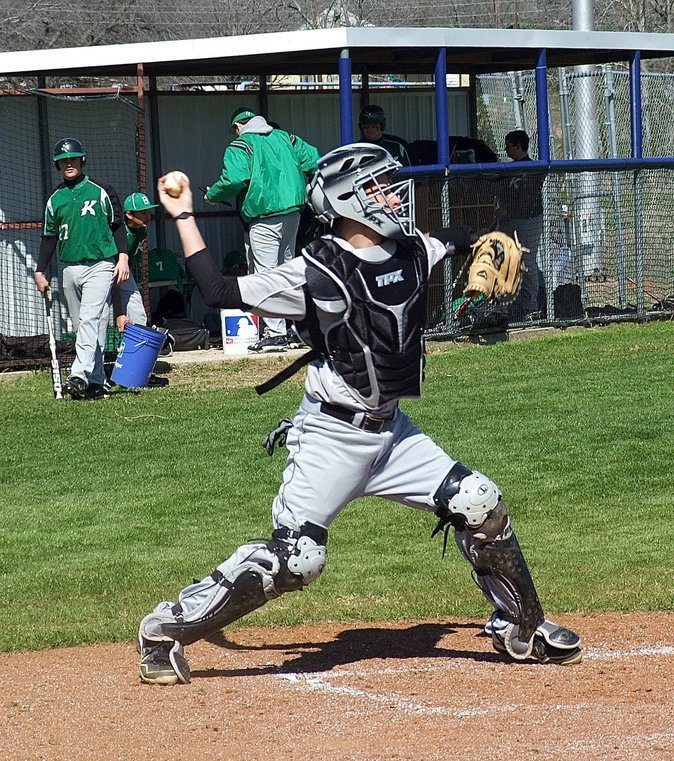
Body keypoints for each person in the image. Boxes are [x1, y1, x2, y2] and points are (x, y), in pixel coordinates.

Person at [136, 143, 582, 686]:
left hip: (392, 434)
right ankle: (165, 628)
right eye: (380, 187)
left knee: (479, 501)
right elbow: (218, 290)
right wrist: (182, 215)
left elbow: (454, 240)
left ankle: (523, 626)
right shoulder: (315, 270)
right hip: (330, 437)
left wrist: (490, 238)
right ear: (348, 199)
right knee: (297, 559)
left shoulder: (412, 249)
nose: (396, 196)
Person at [205, 107, 319, 351]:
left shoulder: (241, 145)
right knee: (289, 271)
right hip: (293, 213)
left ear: (238, 127)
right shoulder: (285, 137)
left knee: (266, 275)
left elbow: (234, 179)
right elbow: (314, 158)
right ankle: (297, 327)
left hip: (264, 216)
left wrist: (213, 195)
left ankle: (275, 333)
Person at [33, 138, 130, 401]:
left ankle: (78, 375)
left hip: (100, 265)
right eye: (64, 160)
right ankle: (96, 383)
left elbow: (118, 225)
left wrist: (123, 257)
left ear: (82, 161)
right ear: (57, 165)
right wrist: (40, 270)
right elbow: (49, 237)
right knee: (86, 328)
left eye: (73, 159)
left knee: (88, 320)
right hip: (70, 269)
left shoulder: (101, 191)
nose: (69, 163)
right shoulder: (55, 199)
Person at [108, 192, 169, 388]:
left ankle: (138, 372)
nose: (147, 216)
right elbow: (113, 271)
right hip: (106, 275)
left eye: (148, 212)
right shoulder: (120, 233)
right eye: (142, 213)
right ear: (129, 215)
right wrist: (118, 311)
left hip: (125, 277)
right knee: (98, 323)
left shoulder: (141, 229)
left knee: (140, 318)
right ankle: (96, 376)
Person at [496, 130, 545, 320]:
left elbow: (529, 198)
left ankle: (531, 305)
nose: (506, 149)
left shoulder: (533, 169)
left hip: (529, 220)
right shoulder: (508, 169)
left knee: (527, 260)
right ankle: (513, 302)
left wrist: (508, 209)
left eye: (509, 145)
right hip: (510, 221)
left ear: (518, 146)